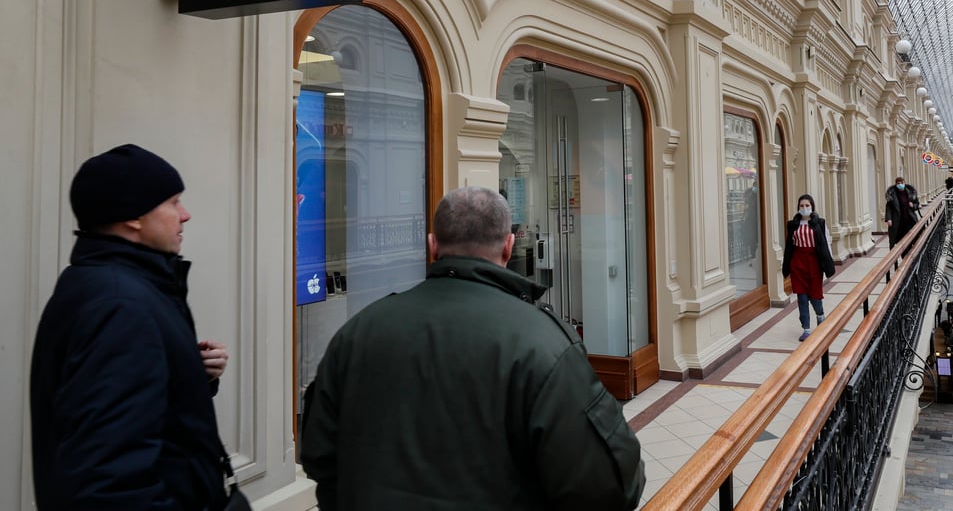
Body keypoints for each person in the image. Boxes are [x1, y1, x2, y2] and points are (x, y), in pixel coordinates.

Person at [300, 187, 645, 510]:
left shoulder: (358, 332)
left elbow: (318, 456)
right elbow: (613, 486)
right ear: (509, 247)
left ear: (432, 245)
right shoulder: (545, 344)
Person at [30, 144, 230, 509]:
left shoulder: (107, 286)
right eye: (173, 202)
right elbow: (109, 481)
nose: (185, 215)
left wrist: (191, 373)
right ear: (133, 216)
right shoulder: (119, 305)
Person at [783, 194, 836, 341]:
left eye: (807, 205)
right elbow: (789, 246)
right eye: (801, 206)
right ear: (798, 207)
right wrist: (786, 265)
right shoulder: (793, 224)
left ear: (812, 207)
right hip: (798, 263)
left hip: (814, 263)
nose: (804, 208)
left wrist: (828, 263)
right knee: (801, 297)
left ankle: (820, 315)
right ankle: (806, 328)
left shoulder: (819, 223)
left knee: (815, 295)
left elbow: (826, 243)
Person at [884, 176, 921, 246]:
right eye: (898, 183)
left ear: (904, 183)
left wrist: (913, 206)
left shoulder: (910, 192)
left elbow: (917, 204)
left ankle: (909, 253)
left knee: (910, 239)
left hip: (909, 220)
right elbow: (889, 208)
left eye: (902, 183)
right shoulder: (892, 194)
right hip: (898, 222)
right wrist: (888, 219)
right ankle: (904, 254)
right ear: (896, 184)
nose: (900, 185)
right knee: (900, 241)